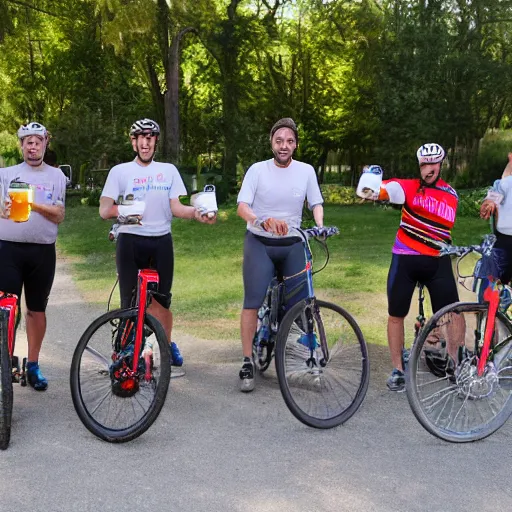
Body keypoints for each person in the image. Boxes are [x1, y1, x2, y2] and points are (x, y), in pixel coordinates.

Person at [99, 118, 215, 371]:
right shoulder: (120, 171)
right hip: (130, 240)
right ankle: (127, 350)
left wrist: (197, 213)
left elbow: (176, 207)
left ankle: (166, 342)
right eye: (141, 137)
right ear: (133, 142)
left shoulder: (168, 171)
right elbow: (104, 210)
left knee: (161, 302)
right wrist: (125, 209)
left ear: (155, 142)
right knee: (129, 303)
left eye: (150, 138)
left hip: (161, 241)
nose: (146, 142)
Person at [360, 143, 460, 391]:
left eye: (433, 164)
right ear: (419, 165)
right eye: (424, 164)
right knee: (396, 314)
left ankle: (456, 366)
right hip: (405, 258)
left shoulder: (451, 194)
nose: (429, 169)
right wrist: (372, 187)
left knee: (453, 313)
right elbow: (387, 190)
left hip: (437, 260)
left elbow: (441, 226)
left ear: (441, 164)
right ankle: (398, 370)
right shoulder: (408, 187)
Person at [236, 117, 324, 392]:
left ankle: (309, 358)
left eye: (289, 141)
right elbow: (242, 207)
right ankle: (247, 360)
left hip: (292, 243)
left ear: (295, 144)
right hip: (260, 242)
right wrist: (262, 220)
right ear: (271, 143)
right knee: (252, 301)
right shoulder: (257, 171)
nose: (284, 146)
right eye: (279, 141)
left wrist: (320, 226)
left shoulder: (306, 171)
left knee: (303, 303)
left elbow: (316, 202)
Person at [0, 122, 67, 390]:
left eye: (37, 141)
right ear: (21, 145)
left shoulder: (56, 176)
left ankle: (33, 365)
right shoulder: (5, 174)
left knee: (36, 310)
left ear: (45, 143)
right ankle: (5, 363)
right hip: (8, 249)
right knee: (6, 309)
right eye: (27, 141)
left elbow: (60, 214)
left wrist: (31, 204)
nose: (32, 146)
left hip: (42, 251)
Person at [479, 153, 512, 285]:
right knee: (493, 282)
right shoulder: (505, 183)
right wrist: (490, 203)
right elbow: (494, 196)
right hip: (504, 240)